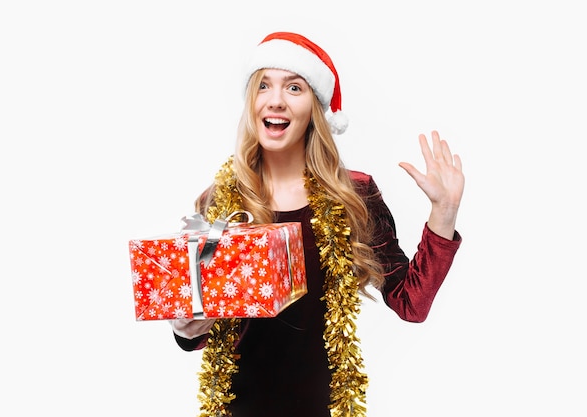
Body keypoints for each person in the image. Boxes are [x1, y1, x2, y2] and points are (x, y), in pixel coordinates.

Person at [171, 31, 464, 417]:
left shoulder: (354, 195)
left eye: (294, 87)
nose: (275, 99)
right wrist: (185, 329)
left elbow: (411, 303)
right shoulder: (220, 201)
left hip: (322, 407)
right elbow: (200, 329)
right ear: (252, 102)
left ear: (315, 107)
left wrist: (444, 213)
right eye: (263, 85)